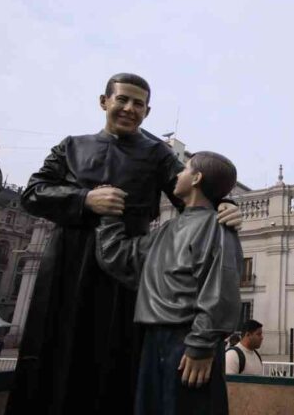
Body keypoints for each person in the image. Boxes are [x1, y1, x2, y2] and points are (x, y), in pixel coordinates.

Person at [6, 73, 243, 415]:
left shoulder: (158, 155)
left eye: (139, 104)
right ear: (104, 102)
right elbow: (32, 194)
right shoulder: (71, 146)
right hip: (66, 263)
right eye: (122, 100)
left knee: (116, 356)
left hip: (126, 269)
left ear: (147, 111)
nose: (129, 109)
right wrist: (86, 199)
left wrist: (228, 206)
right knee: (53, 348)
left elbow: (196, 194)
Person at [95, 151, 243, 415]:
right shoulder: (165, 230)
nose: (177, 175)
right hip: (154, 341)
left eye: (184, 169)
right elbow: (120, 257)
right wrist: (108, 216)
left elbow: (221, 287)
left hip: (188, 342)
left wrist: (201, 344)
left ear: (196, 178)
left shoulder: (217, 227)